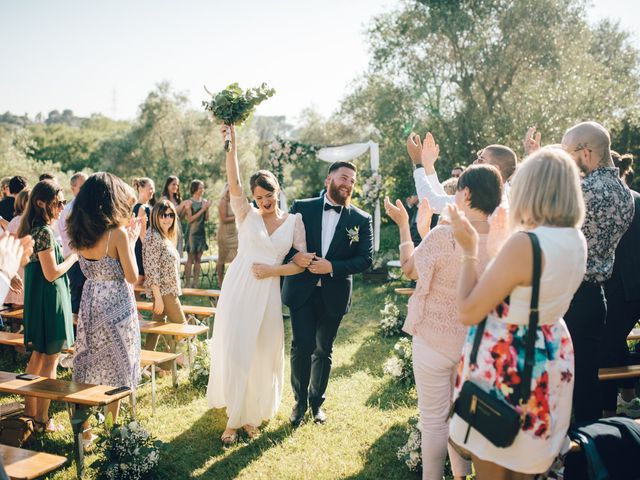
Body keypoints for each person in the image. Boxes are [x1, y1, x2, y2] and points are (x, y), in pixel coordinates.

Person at [448, 147, 587, 478]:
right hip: (548, 358)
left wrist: (469, 252)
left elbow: (468, 310)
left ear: (529, 188)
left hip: (508, 365)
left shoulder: (525, 243)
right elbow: (529, 291)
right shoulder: (575, 240)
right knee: (527, 466)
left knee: (493, 464)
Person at [385, 164, 503, 480]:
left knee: (434, 420)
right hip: (479, 346)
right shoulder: (504, 241)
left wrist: (404, 226)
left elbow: (409, 270)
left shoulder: (443, 234)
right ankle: (466, 474)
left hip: (434, 341)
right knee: (473, 416)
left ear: (465, 193)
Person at [207, 125, 307, 444]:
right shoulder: (245, 215)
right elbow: (233, 181)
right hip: (239, 288)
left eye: (269, 195)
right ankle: (233, 419)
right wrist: (231, 144)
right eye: (259, 197)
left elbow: (299, 265)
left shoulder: (294, 222)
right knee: (238, 350)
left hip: (268, 294)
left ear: (277, 191)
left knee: (262, 352)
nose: (264, 201)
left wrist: (273, 269)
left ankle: (252, 416)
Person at [283, 160, 374, 427]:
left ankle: (316, 403)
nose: (348, 184)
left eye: (353, 181)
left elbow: (365, 258)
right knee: (302, 346)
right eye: (344, 178)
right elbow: (283, 244)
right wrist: (296, 256)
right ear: (329, 180)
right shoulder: (302, 208)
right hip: (301, 291)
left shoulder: (360, 219)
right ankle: (299, 402)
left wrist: (332, 266)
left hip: (333, 295)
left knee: (323, 349)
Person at [560, 121, 634, 422]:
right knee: (588, 378)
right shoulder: (625, 194)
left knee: (562, 378)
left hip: (569, 296)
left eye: (567, 153)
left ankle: (560, 454)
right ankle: (590, 452)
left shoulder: (582, 191)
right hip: (597, 297)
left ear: (586, 153)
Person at [67, 172, 142, 433]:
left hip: (90, 302)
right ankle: (111, 429)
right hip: (116, 304)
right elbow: (132, 276)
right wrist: (131, 242)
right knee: (118, 365)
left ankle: (84, 430)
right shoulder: (117, 234)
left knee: (88, 362)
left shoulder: (79, 233)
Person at [18, 180, 77, 432]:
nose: (62, 207)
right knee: (49, 361)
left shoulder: (35, 229)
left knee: (38, 359)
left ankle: (30, 416)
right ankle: (41, 419)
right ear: (42, 203)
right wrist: (73, 257)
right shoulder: (43, 231)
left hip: (41, 298)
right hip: (49, 300)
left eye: (64, 202)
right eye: (58, 202)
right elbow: (51, 272)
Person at [600, 151, 640, 418]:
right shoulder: (636, 197)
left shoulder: (602, 200)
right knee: (611, 342)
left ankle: (607, 412)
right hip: (630, 286)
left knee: (604, 343)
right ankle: (627, 393)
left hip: (618, 287)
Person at [407, 132, 517, 213]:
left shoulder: (482, 198)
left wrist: (418, 163)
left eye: (481, 159)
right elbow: (441, 201)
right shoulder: (493, 194)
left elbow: (432, 202)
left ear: (495, 168)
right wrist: (429, 166)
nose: (474, 162)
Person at [142, 199, 186, 370]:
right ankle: (177, 362)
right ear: (156, 216)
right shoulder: (153, 237)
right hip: (164, 292)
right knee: (182, 329)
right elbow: (152, 270)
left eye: (171, 215)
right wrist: (158, 298)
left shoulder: (163, 236)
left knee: (157, 327)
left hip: (168, 290)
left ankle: (147, 365)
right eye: (163, 215)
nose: (168, 219)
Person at [59, 172, 88, 319]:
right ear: (73, 189)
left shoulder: (87, 207)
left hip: (86, 259)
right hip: (75, 260)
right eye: (83, 187)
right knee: (76, 300)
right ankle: (74, 338)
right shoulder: (71, 210)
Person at [5, 189, 30, 306]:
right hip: (19, 268)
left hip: (23, 267)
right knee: (18, 304)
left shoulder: (27, 220)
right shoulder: (18, 221)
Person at [183, 180, 211, 288]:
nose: (202, 190)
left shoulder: (204, 201)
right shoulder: (189, 202)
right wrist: (202, 209)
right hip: (192, 233)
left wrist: (207, 208)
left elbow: (207, 219)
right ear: (195, 189)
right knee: (190, 259)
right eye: (200, 188)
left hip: (201, 233)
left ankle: (196, 283)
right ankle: (187, 284)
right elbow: (190, 219)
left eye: (203, 187)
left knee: (198, 259)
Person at [132, 177, 155, 286]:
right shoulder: (141, 208)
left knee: (142, 279)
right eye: (150, 188)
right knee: (139, 278)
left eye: (153, 188)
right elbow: (142, 233)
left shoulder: (148, 206)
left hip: (145, 246)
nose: (152, 191)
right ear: (140, 189)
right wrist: (150, 251)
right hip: (141, 247)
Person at [216, 184, 239, 286]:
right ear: (226, 192)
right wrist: (238, 216)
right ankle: (220, 282)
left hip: (234, 233)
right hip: (224, 234)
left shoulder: (234, 202)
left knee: (236, 257)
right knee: (222, 258)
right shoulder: (222, 202)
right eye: (230, 191)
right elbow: (224, 219)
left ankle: (233, 280)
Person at [161, 176, 186, 257]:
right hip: (168, 228)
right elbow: (170, 213)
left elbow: (180, 217)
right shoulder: (164, 199)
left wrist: (185, 209)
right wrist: (181, 206)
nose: (176, 187)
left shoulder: (177, 199)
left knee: (177, 252)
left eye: (177, 185)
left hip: (178, 227)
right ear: (168, 185)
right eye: (173, 184)